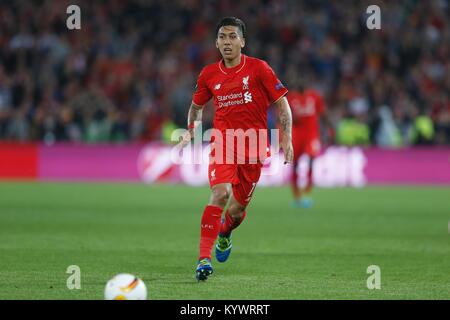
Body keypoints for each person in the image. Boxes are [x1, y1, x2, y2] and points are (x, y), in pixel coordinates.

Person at [178, 17, 293, 281]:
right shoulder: (209, 74)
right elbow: (196, 107)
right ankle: (203, 260)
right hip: (224, 145)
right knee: (220, 193)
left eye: (232, 37)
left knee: (236, 211)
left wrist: (286, 138)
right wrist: (191, 130)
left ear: (243, 41)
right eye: (222, 37)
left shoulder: (259, 69)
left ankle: (225, 234)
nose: (227, 42)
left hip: (253, 148)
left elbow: (282, 103)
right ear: (216, 42)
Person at [287, 77, 333, 208]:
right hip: (297, 135)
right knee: (295, 164)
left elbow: (323, 113)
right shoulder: (291, 98)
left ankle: (307, 193)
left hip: (312, 135)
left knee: (311, 160)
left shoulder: (314, 96)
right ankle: (296, 196)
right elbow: (285, 116)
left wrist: (330, 128)